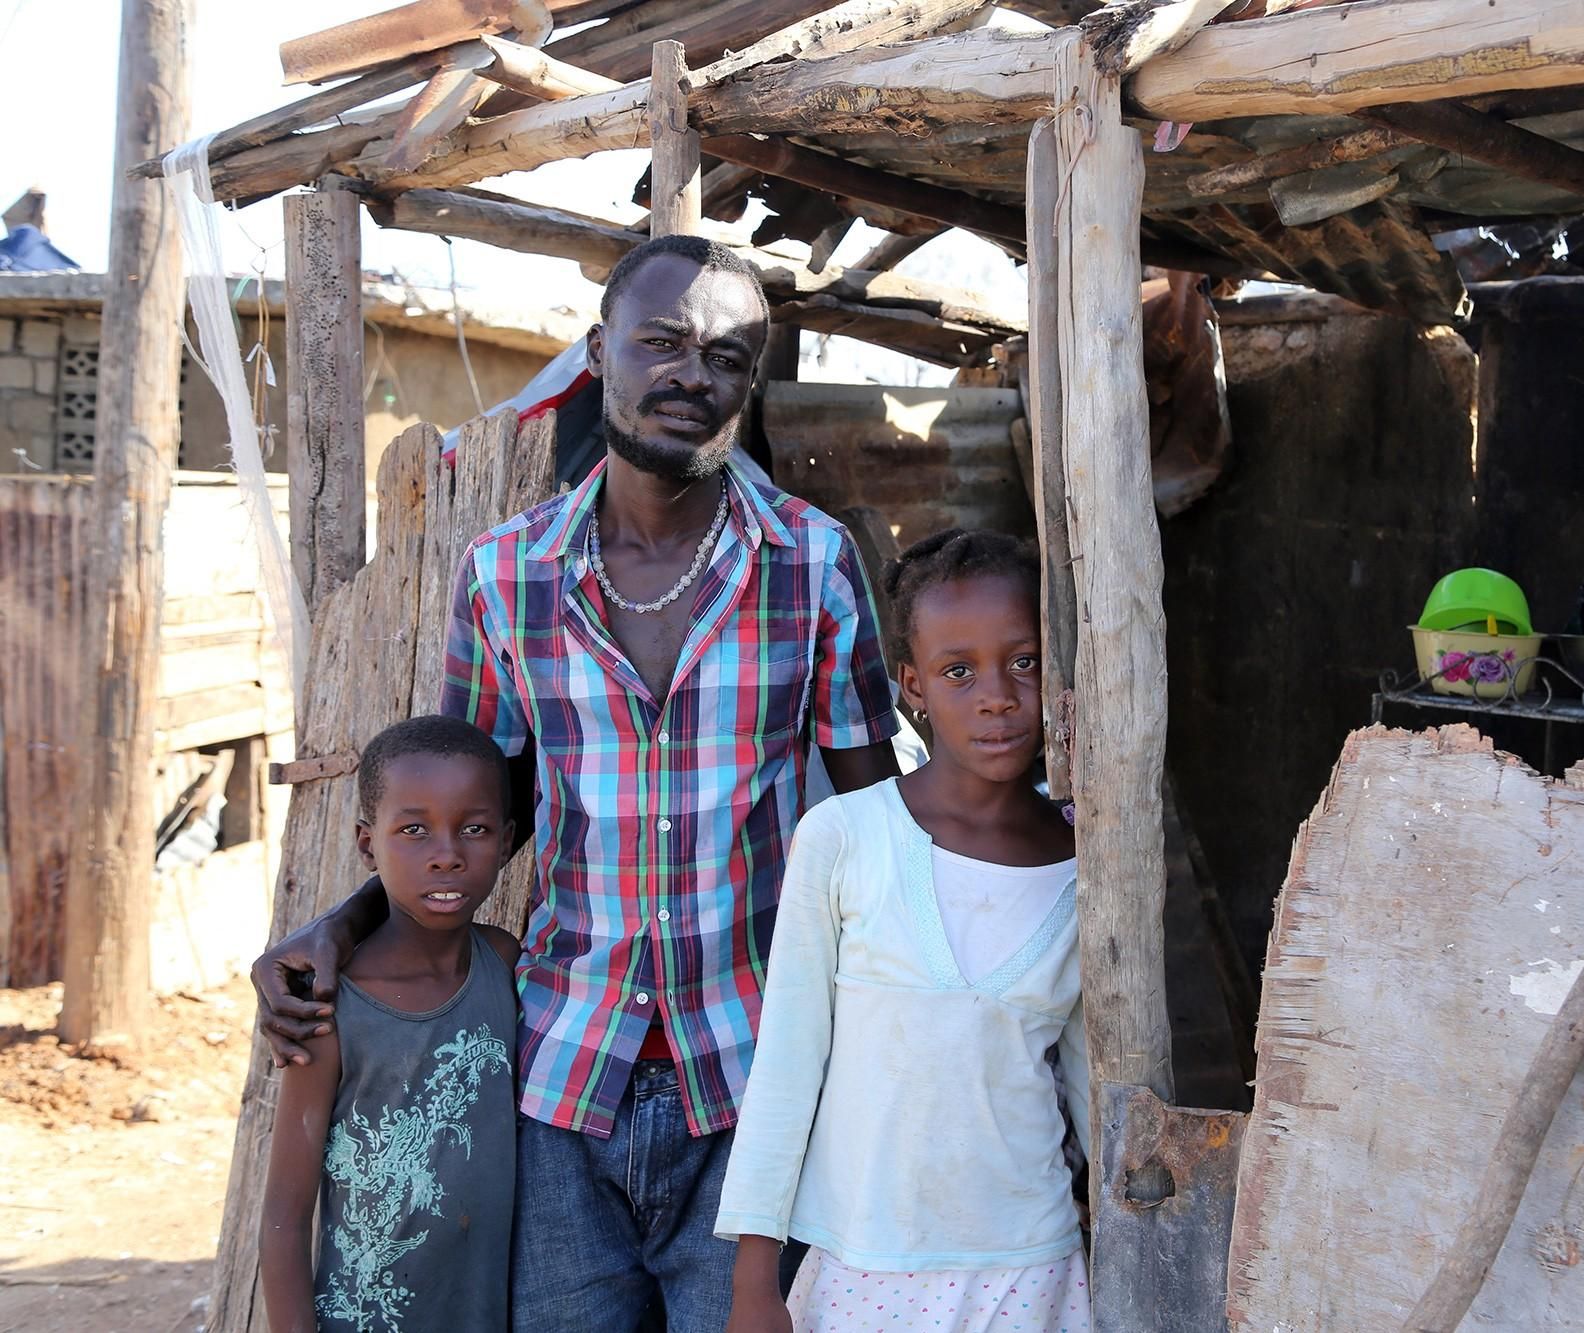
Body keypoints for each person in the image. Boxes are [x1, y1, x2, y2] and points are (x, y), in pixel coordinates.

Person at [252, 234, 904, 1331]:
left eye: (728, 357)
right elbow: (472, 817)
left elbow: (876, 826)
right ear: (601, 352)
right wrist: (344, 921)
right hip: (561, 1078)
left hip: (755, 1081)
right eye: (664, 341)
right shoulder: (508, 575)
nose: (693, 375)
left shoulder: (810, 561)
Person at [716, 529, 1090, 1333]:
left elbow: (1094, 1084)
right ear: (912, 684)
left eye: (1024, 661)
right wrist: (754, 1277)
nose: (997, 695)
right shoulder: (846, 837)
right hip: (866, 1267)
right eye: (959, 671)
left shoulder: (1084, 866)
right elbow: (786, 1063)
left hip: (1032, 1266)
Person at [260, 716, 522, 1333]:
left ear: (507, 841)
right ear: (366, 843)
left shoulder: (504, 964)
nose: (447, 855)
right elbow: (284, 1217)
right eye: (413, 830)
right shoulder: (330, 1007)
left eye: (475, 829)